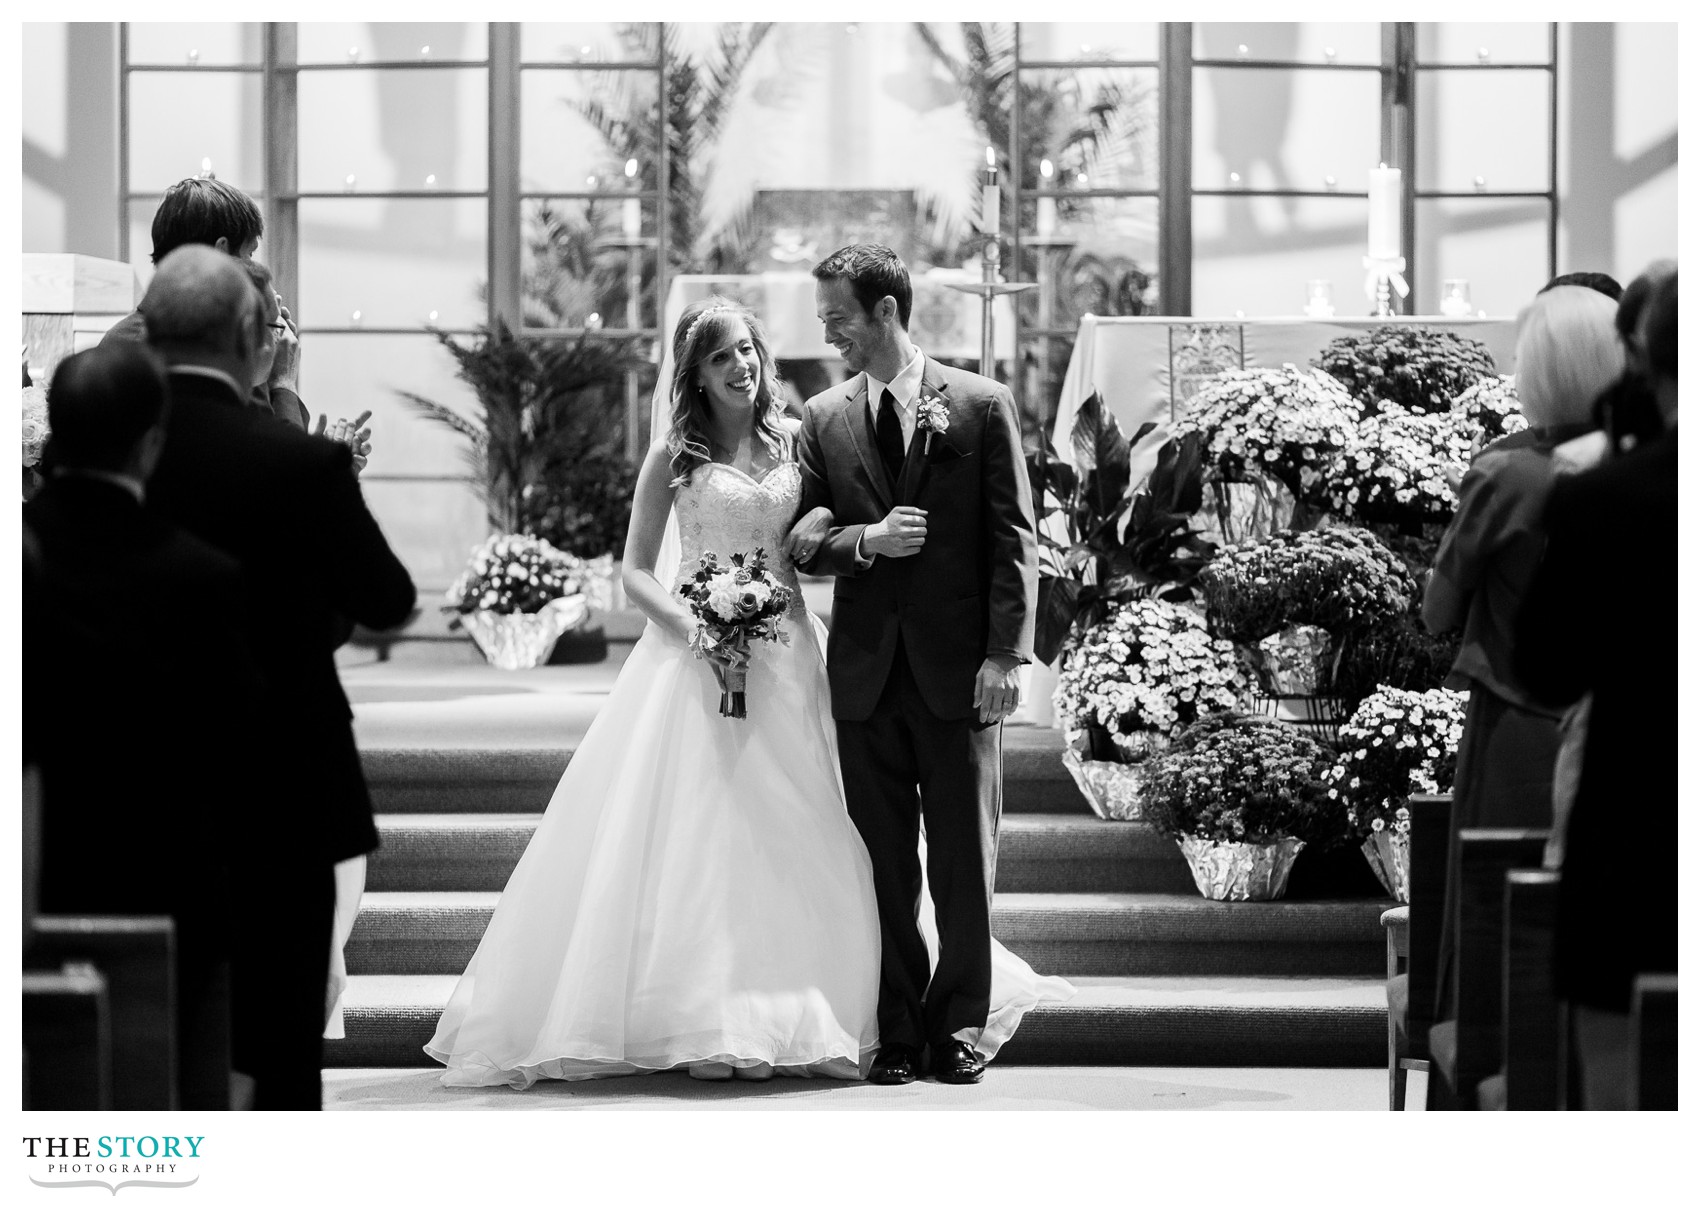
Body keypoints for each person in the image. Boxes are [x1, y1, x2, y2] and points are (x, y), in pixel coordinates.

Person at [425, 296, 1069, 1088]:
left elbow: (835, 512)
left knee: (815, 826)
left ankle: (826, 1011)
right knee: (704, 835)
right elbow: (632, 571)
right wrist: (697, 628)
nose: (745, 367)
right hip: (696, 658)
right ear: (694, 372)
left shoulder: (797, 438)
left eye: (751, 352)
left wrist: (829, 524)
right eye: (725, 356)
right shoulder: (674, 456)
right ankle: (706, 1017)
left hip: (789, 655)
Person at [140, 245, 417, 1110]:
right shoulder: (298, 463)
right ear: (251, 336)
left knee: (160, 1031)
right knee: (283, 1044)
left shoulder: (120, 450)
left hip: (143, 778)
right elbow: (388, 598)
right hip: (282, 782)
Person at [795, 244, 1042, 1085]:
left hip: (958, 671)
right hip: (865, 675)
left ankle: (960, 1027)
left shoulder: (980, 404)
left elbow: (1015, 541)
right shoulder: (823, 418)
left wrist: (1007, 654)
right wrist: (866, 540)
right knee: (885, 864)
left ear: (887, 314)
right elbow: (801, 540)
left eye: (838, 319)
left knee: (964, 863)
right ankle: (897, 1030)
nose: (830, 335)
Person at [24, 343, 263, 1108]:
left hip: (35, 875)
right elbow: (241, 750)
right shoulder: (202, 577)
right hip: (173, 885)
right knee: (180, 1107)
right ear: (152, 443)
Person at [1422, 285, 1625, 1018]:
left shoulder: (1504, 472)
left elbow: (1437, 609)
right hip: (1624, 728)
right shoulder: (1647, 471)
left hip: (1514, 722)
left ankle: (1480, 1060)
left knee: (1495, 912)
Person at [1515, 268, 1677, 1111]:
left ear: (1639, 363)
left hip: (1638, 829)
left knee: (1616, 1102)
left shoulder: (1606, 497)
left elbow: (1544, 667)